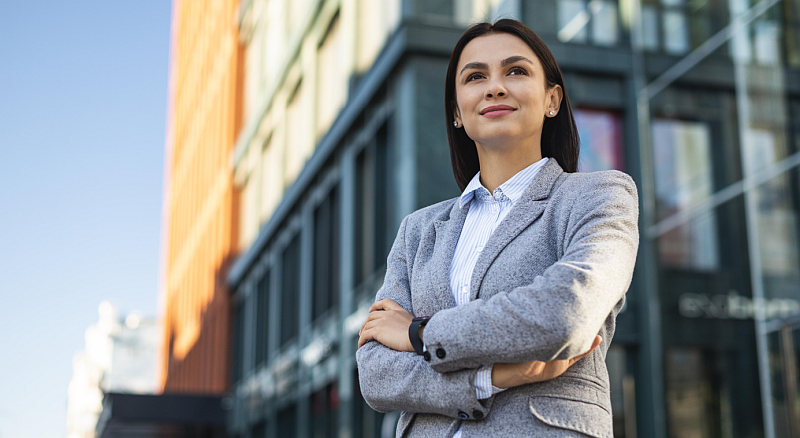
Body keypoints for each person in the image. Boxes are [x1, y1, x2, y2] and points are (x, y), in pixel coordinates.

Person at [356, 18, 639, 437]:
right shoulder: (419, 231)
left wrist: (419, 333)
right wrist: (491, 378)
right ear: (457, 111)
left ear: (552, 99)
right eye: (475, 77)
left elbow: (566, 313)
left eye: (516, 71)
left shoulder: (598, 195)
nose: (495, 87)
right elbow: (376, 375)